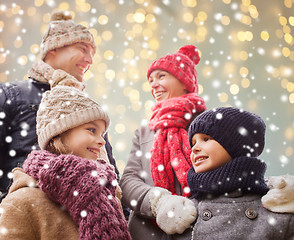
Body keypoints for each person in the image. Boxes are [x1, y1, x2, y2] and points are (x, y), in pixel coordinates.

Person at [0, 11, 119, 240]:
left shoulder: (88, 109)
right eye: (83, 49)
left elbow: (110, 171)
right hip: (27, 227)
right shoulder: (9, 95)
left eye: (92, 53)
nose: (90, 60)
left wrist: (122, 218)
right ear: (53, 48)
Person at [0, 77, 131, 239]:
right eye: (92, 130)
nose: (102, 141)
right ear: (59, 132)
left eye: (102, 134)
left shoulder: (108, 193)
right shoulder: (21, 203)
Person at [120, 45, 207, 239]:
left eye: (161, 77)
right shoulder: (144, 132)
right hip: (146, 233)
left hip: (199, 230)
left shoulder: (208, 124)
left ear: (185, 81)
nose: (153, 85)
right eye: (151, 80)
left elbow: (225, 174)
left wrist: (191, 208)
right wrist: (158, 202)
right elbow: (128, 181)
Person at [182, 107, 294, 239]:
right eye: (193, 143)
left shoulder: (278, 209)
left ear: (237, 146)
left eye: (206, 139)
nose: (195, 148)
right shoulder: (184, 213)